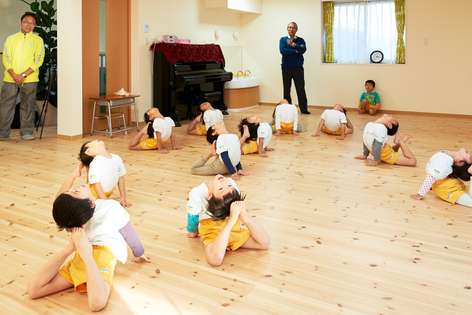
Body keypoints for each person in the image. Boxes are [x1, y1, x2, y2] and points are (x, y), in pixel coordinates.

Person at [27, 166, 149, 311]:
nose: (76, 187)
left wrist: (73, 176)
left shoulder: (74, 220)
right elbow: (96, 305)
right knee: (36, 290)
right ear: (91, 203)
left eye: (72, 189)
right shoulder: (111, 207)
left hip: (84, 253)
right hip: (97, 253)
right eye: (76, 191)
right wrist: (139, 252)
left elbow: (61, 200)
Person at [186, 174, 270, 266]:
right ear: (209, 195)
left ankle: (231, 224)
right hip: (211, 227)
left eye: (229, 186)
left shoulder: (230, 183)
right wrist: (192, 231)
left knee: (264, 244)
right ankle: (228, 228)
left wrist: (244, 217)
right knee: (214, 259)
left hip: (231, 221)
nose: (225, 183)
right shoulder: (197, 193)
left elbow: (265, 243)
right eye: (221, 189)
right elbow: (193, 215)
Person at [0, 12, 44, 141]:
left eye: (32, 23)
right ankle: (3, 133)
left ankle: (27, 132)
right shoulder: (11, 39)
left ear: (34, 25)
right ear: (21, 23)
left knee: (28, 105)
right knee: (6, 105)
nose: (28, 25)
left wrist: (23, 75)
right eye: (26, 22)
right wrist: (14, 74)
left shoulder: (38, 40)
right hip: (10, 78)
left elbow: (39, 60)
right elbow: (6, 58)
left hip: (30, 79)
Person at [79, 140, 131, 207]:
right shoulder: (95, 163)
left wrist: (123, 198)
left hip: (106, 194)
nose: (97, 140)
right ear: (90, 152)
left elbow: (121, 178)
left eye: (97, 141)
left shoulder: (117, 158)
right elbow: (97, 185)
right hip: (92, 195)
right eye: (94, 144)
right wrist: (106, 204)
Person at [279, 21, 309, 114]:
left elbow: (303, 49)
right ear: (287, 29)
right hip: (286, 68)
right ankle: (287, 109)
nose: (291, 29)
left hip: (298, 68)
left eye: (293, 28)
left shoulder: (301, 40)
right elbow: (283, 51)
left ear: (296, 29)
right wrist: (296, 51)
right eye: (289, 27)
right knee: (286, 89)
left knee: (300, 89)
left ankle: (304, 109)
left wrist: (294, 45)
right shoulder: (282, 40)